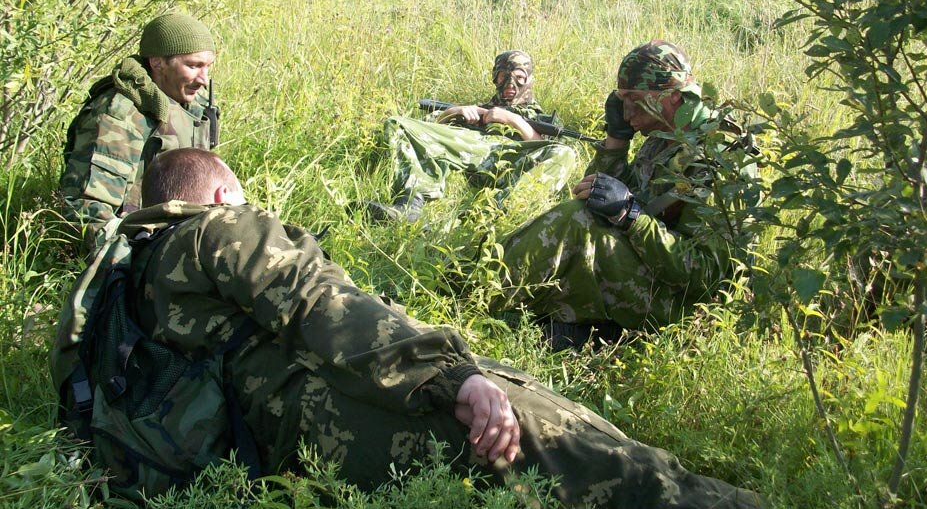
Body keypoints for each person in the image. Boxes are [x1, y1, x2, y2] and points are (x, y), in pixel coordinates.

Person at [51, 147, 760, 508]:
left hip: (259, 442)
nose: (249, 204)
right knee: (567, 442)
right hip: (331, 413)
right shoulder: (218, 230)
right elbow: (319, 301)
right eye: (241, 196)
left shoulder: (130, 271)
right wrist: (453, 374)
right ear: (216, 194)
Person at [493, 41, 760, 349]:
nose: (627, 110)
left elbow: (707, 276)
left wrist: (632, 216)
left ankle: (477, 296)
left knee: (576, 221)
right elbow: (600, 193)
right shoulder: (664, 136)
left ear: (673, 97)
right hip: (652, 269)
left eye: (634, 100)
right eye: (622, 100)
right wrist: (616, 141)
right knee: (583, 214)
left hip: (688, 306)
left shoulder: (721, 157)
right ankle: (494, 293)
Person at [60, 13, 219, 247]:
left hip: (185, 231)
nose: (204, 79)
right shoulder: (120, 115)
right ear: (158, 63)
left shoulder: (195, 105)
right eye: (194, 66)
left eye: (208, 66)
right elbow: (87, 214)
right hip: (138, 243)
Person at [366, 50, 577, 222]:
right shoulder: (479, 110)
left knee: (566, 153)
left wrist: (515, 121)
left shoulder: (544, 121)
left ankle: (494, 214)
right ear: (495, 78)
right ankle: (410, 203)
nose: (511, 85)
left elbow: (552, 153)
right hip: (471, 148)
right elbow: (427, 129)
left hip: (512, 159)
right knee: (397, 124)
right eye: (504, 76)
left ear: (529, 81)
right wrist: (456, 112)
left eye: (520, 78)